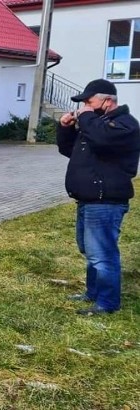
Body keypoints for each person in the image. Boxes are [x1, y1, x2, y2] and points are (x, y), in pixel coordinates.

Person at [57, 79, 140, 315]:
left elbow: (102, 139)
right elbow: (68, 150)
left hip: (106, 201)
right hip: (88, 199)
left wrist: (85, 118)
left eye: (88, 102)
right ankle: (92, 293)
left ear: (107, 101)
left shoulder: (124, 124)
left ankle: (107, 303)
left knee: (102, 253)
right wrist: (64, 127)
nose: (85, 107)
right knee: (89, 250)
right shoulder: (97, 124)